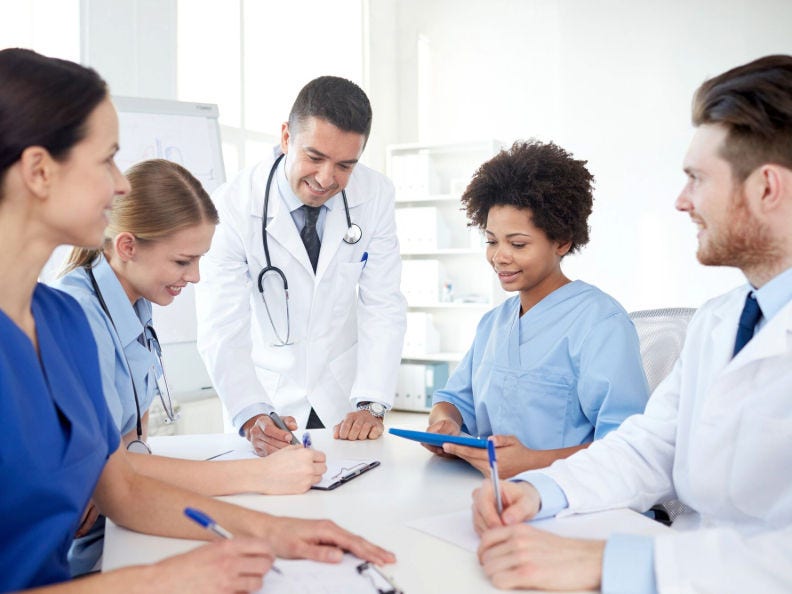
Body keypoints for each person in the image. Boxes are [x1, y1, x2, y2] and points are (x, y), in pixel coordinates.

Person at [0, 48, 393, 594]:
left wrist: (278, 532)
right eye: (108, 159)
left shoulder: (61, 322)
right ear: (40, 171)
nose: (121, 186)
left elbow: (125, 492)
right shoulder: (75, 315)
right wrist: (163, 580)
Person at [472, 55, 792, 593]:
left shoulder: (596, 317)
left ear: (766, 188)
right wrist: (542, 490)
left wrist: (613, 564)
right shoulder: (722, 320)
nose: (681, 201)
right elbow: (649, 446)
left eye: (696, 179)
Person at [53, 158, 327, 576]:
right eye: (183, 261)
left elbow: (129, 443)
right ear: (127, 247)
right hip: (78, 550)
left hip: (118, 526)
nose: (195, 276)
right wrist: (260, 475)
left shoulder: (134, 301)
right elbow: (116, 471)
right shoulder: (81, 318)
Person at [195, 76, 406, 455]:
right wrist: (250, 411)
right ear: (286, 138)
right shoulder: (234, 204)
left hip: (345, 398)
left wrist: (372, 402)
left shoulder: (375, 195)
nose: (326, 178)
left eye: (345, 165)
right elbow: (221, 324)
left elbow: (383, 303)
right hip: (267, 398)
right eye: (314, 157)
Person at [424, 141, 649, 478]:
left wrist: (533, 462)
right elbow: (455, 400)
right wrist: (444, 423)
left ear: (562, 241)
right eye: (491, 240)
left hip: (570, 503)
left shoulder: (600, 324)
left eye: (518, 244)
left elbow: (628, 447)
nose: (499, 256)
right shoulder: (494, 323)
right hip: (490, 494)